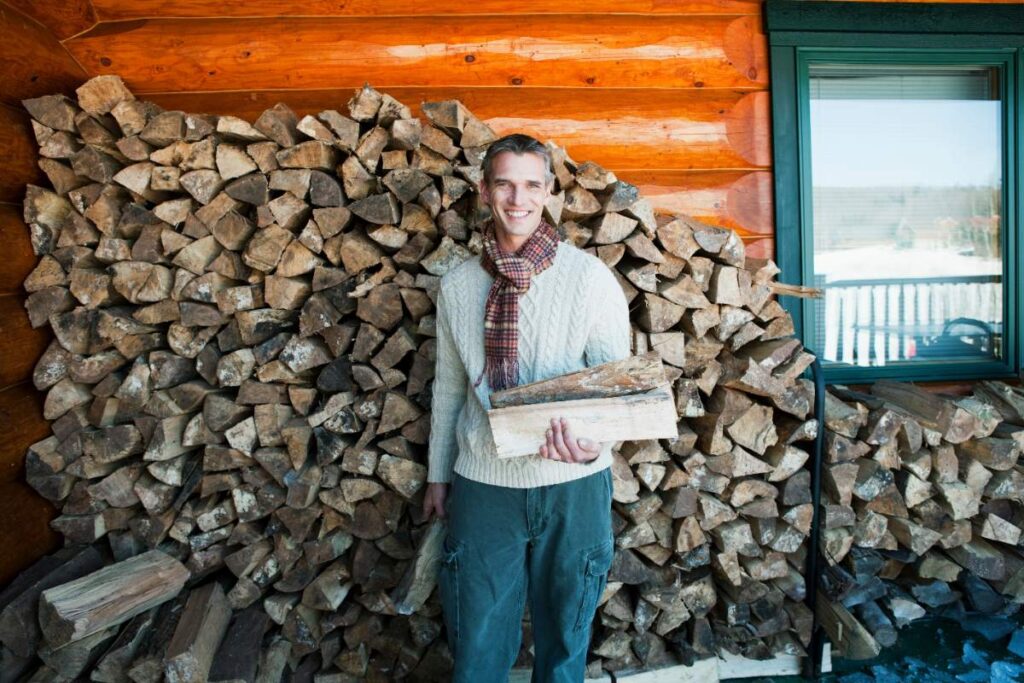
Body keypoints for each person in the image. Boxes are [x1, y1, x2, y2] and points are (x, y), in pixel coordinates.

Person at [422, 133, 631, 682]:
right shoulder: (459, 286)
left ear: (549, 192)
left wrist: (594, 444)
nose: (519, 199)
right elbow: (449, 390)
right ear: (485, 190)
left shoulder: (588, 279)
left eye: (532, 184)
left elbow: (619, 389)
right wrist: (438, 478)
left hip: (574, 482)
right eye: (505, 184)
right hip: (484, 484)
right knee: (478, 638)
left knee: (565, 637)